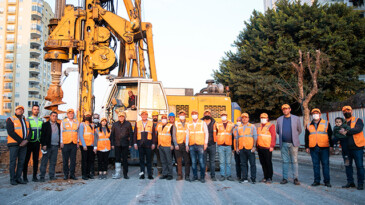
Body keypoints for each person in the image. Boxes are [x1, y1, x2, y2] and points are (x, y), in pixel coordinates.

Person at [305, 108, 333, 187]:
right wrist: (307, 147)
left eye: (317, 113)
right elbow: (306, 136)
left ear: (320, 114)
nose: (315, 115)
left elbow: (330, 135)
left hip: (324, 147)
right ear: (312, 115)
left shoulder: (326, 123)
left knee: (325, 164)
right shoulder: (308, 125)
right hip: (313, 147)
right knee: (315, 165)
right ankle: (316, 181)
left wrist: (331, 146)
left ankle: (327, 181)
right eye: (314, 113)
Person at [276, 104, 302, 185]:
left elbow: (299, 130)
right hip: (283, 143)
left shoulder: (296, 118)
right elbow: (278, 131)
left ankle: (296, 178)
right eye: (283, 109)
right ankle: (285, 178)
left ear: (290, 109)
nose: (285, 110)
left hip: (293, 143)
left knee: (294, 161)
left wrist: (293, 136)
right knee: (285, 161)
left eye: (287, 109)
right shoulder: (279, 119)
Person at [340, 106, 365, 190]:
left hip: (357, 148)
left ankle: (360, 183)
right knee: (347, 166)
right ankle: (350, 182)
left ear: (352, 111)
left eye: (348, 110)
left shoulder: (358, 120)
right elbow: (338, 133)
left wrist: (346, 132)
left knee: (359, 166)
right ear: (342, 113)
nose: (346, 112)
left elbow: (358, 129)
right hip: (346, 150)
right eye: (344, 111)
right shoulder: (341, 123)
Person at [6, 105, 30, 185]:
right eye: (18, 109)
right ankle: (12, 179)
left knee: (21, 162)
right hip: (14, 144)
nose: (20, 111)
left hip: (24, 145)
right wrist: (21, 141)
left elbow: (30, 132)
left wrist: (26, 140)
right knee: (13, 162)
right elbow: (11, 132)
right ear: (15, 111)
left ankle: (18, 178)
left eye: (21, 109)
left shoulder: (26, 120)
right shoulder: (11, 119)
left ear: (23, 111)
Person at [234, 113, 257, 184]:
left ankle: (253, 178)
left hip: (250, 148)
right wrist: (237, 147)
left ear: (248, 118)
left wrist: (254, 147)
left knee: (252, 164)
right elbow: (237, 138)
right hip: (242, 148)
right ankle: (245, 178)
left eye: (246, 117)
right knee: (243, 164)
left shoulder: (252, 126)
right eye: (243, 117)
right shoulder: (239, 127)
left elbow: (255, 137)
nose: (244, 119)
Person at [186, 110, 209, 183]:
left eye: (195, 114)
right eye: (192, 114)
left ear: (198, 115)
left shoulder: (202, 123)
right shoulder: (189, 124)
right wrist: (187, 145)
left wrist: (205, 143)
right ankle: (195, 176)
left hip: (200, 145)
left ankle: (202, 177)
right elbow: (187, 135)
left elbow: (206, 133)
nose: (194, 115)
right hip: (192, 145)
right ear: (191, 115)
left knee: (201, 162)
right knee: (193, 162)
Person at [23, 105, 43, 182]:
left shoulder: (40, 120)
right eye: (34, 109)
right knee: (26, 160)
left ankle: (34, 176)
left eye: (37, 109)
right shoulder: (28, 120)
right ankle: (24, 177)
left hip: (37, 142)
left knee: (36, 160)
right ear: (32, 110)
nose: (36, 111)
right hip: (29, 142)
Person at [111, 111, 133, 179]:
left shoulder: (128, 124)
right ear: (118, 117)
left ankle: (125, 174)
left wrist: (130, 144)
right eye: (120, 116)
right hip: (117, 144)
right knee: (117, 159)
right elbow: (112, 135)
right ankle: (117, 173)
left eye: (122, 116)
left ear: (124, 117)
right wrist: (112, 144)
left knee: (125, 159)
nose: (121, 118)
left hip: (125, 144)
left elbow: (131, 134)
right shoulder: (115, 124)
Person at [134, 110, 155, 180]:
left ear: (147, 116)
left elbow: (153, 135)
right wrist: (135, 143)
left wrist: (153, 143)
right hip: (140, 144)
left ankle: (150, 175)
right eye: (143, 115)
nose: (144, 116)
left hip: (148, 144)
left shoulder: (151, 123)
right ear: (141, 116)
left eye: (145, 115)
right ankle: (142, 175)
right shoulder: (137, 123)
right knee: (141, 161)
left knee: (149, 161)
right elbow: (135, 134)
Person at [39, 111, 60, 182]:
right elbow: (42, 136)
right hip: (47, 146)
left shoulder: (58, 125)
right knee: (44, 162)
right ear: (50, 116)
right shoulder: (45, 125)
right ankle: (42, 176)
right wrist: (43, 144)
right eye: (53, 116)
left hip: (55, 146)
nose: (54, 117)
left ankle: (51, 175)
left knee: (53, 162)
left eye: (56, 116)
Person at [214, 111, 234, 181]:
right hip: (220, 146)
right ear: (220, 116)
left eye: (224, 115)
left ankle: (228, 175)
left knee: (228, 162)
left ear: (226, 116)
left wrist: (234, 147)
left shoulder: (231, 124)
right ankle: (222, 175)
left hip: (228, 145)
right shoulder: (217, 124)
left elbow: (234, 135)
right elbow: (215, 133)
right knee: (222, 162)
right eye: (222, 115)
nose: (223, 116)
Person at [257, 113, 276, 184]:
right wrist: (256, 146)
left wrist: (272, 146)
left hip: (267, 147)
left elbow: (273, 136)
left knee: (268, 162)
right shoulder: (259, 126)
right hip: (260, 147)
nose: (263, 119)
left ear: (267, 118)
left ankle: (269, 177)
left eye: (264, 117)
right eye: (261, 117)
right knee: (263, 163)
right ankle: (265, 176)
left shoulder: (271, 125)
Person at [61, 108, 79, 180]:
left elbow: (77, 133)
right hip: (65, 143)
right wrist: (61, 142)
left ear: (73, 114)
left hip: (73, 143)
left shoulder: (76, 122)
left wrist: (77, 142)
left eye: (72, 113)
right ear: (67, 114)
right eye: (69, 113)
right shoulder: (63, 122)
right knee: (65, 160)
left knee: (73, 160)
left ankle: (72, 174)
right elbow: (61, 132)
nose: (71, 115)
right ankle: (66, 174)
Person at [173, 110, 191, 181]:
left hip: (186, 145)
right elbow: (174, 135)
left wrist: (188, 144)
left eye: (183, 114)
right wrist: (175, 144)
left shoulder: (189, 123)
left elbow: (190, 133)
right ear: (179, 116)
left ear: (185, 115)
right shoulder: (176, 123)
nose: (182, 116)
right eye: (180, 115)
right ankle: (179, 175)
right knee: (179, 161)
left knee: (187, 161)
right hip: (178, 144)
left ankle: (187, 175)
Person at [157, 114, 174, 180]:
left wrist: (172, 144)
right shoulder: (159, 125)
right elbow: (158, 135)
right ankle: (165, 174)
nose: (163, 119)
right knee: (163, 161)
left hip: (167, 146)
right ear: (161, 119)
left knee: (169, 161)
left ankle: (170, 174)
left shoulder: (170, 126)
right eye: (162, 118)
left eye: (165, 118)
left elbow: (173, 136)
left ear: (167, 119)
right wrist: (158, 144)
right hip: (161, 145)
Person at [78, 112, 95, 180]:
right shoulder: (82, 124)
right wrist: (84, 145)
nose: (88, 117)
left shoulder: (92, 125)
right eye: (86, 116)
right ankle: (84, 174)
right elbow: (81, 135)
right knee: (84, 160)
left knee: (89, 160)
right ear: (84, 117)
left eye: (89, 115)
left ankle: (88, 174)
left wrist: (94, 145)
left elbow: (93, 135)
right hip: (84, 145)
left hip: (91, 145)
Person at [202, 109, 217, 181]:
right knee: (203, 161)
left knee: (212, 161)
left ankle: (213, 175)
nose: (207, 115)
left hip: (212, 144)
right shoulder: (200, 122)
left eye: (208, 113)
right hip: (203, 144)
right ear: (203, 114)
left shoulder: (214, 123)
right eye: (205, 113)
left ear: (210, 115)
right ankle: (203, 175)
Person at [151, 111, 162, 175]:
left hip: (158, 143)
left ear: (157, 116)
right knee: (150, 157)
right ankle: (151, 170)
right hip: (152, 143)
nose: (155, 117)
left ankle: (159, 171)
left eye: (156, 116)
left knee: (159, 158)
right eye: (154, 116)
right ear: (152, 117)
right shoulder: (149, 123)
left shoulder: (160, 124)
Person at [233, 117, 242, 181]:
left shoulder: (245, 127)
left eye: (239, 120)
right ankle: (238, 176)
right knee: (237, 163)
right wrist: (233, 148)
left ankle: (244, 176)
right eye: (237, 120)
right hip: (236, 148)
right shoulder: (234, 128)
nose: (238, 121)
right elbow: (232, 138)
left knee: (243, 163)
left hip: (243, 148)